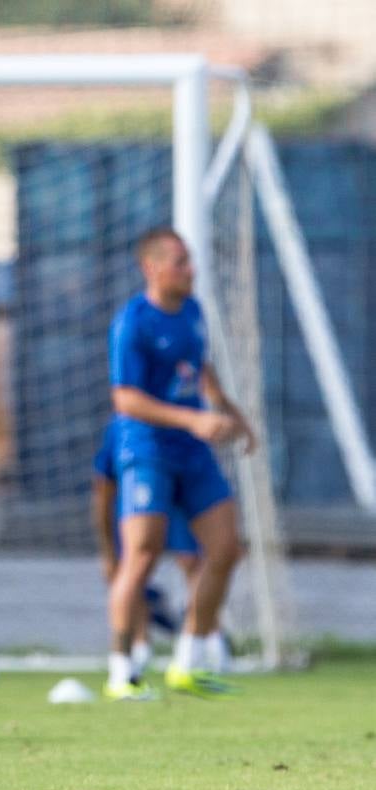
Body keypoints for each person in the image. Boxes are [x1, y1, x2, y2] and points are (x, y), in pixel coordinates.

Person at [103, 227, 252, 701]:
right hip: (146, 448)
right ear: (152, 268)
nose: (192, 271)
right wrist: (193, 419)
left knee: (226, 548)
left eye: (190, 262)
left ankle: (188, 660)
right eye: (181, 263)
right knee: (142, 555)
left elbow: (198, 369)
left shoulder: (192, 311)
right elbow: (125, 398)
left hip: (191, 449)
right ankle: (122, 671)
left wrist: (231, 412)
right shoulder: (133, 322)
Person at [89, 418, 202, 697]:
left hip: (177, 506)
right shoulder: (123, 428)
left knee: (197, 562)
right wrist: (106, 551)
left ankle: (202, 648)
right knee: (134, 567)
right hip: (136, 506)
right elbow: (102, 488)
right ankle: (133, 657)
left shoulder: (186, 417)